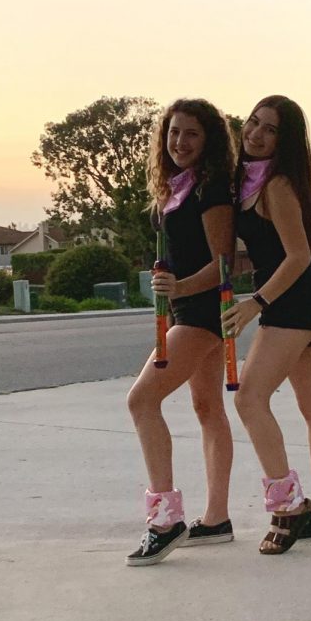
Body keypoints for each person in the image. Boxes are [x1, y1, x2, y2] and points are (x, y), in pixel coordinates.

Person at [221, 95, 311, 555]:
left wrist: (256, 303)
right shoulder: (245, 181)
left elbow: (298, 256)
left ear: (284, 140)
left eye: (269, 129)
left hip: (295, 300)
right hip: (296, 298)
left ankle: (288, 504)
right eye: (253, 122)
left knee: (251, 398)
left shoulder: (276, 186)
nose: (255, 133)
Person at [126, 98, 236, 566]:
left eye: (191, 133)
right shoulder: (175, 186)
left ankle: (165, 521)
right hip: (187, 311)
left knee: (141, 400)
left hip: (202, 312)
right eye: (173, 133)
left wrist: (179, 287)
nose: (180, 142)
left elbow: (224, 263)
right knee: (207, 407)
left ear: (208, 139)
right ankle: (216, 520)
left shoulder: (209, 190)